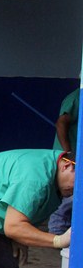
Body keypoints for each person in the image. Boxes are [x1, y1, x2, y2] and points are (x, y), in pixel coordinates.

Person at [49, 87, 79, 235]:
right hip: (70, 160)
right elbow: (61, 123)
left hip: (74, 158)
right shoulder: (77, 97)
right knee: (69, 197)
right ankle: (57, 233)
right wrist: (68, 153)